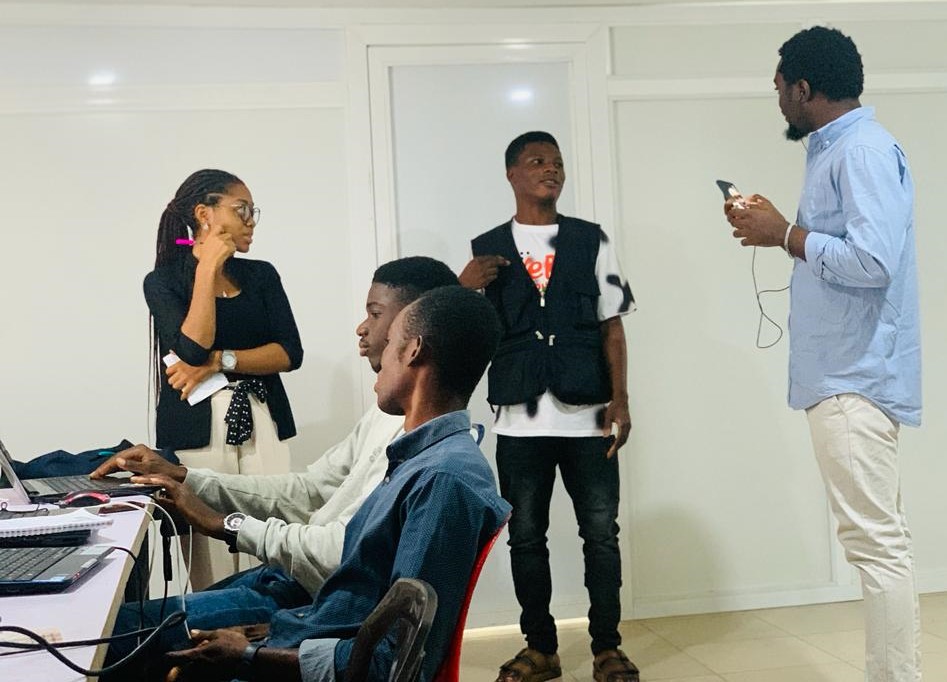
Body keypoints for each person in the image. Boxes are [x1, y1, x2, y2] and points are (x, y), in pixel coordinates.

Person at [97, 257, 460, 669]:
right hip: (291, 580)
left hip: (313, 603)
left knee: (117, 632)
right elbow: (309, 489)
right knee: (125, 620)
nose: (362, 328)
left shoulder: (428, 458)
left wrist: (222, 524)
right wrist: (187, 477)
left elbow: (343, 552)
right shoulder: (386, 416)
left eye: (375, 315)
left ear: (413, 340)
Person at [724, 26, 922, 682]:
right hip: (846, 373)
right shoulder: (841, 148)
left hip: (852, 378)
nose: (778, 100)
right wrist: (779, 230)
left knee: (876, 547)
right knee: (880, 542)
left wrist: (784, 232)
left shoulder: (859, 150)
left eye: (780, 88)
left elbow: (872, 262)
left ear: (804, 88)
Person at [461, 131, 638, 682]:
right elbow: (465, 332)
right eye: (538, 161)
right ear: (511, 174)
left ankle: (607, 648)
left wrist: (621, 400)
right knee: (525, 538)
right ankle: (541, 648)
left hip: (588, 415)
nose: (551, 169)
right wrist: (463, 287)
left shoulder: (591, 240)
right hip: (519, 420)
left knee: (601, 536)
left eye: (558, 162)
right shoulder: (486, 248)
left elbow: (612, 327)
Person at [146, 169, 304, 587]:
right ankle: (215, 625)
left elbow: (290, 352)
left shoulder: (261, 275)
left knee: (270, 536)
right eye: (241, 210)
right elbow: (191, 350)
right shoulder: (162, 281)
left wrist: (220, 361)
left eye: (253, 212)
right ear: (205, 214)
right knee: (210, 556)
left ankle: (271, 625)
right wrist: (206, 269)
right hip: (197, 429)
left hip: (261, 416)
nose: (251, 221)